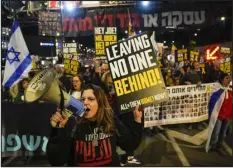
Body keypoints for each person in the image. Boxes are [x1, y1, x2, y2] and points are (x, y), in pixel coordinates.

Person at [47, 84, 143, 166]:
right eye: (82, 99)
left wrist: (137, 120)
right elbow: (56, 161)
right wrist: (59, 130)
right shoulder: (72, 124)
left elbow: (130, 145)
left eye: (91, 99)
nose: (85, 102)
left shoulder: (111, 121)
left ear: (100, 103)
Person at [205, 73, 232, 153]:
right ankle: (213, 145)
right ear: (222, 79)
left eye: (229, 78)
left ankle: (219, 146)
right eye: (227, 78)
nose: (229, 80)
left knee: (223, 133)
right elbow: (211, 102)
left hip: (228, 115)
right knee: (216, 132)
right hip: (219, 116)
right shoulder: (216, 88)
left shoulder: (230, 89)